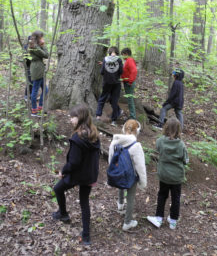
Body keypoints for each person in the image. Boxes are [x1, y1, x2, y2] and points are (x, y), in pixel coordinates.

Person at [52, 104, 100, 246]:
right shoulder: (94, 135)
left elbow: (73, 162)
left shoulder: (77, 139)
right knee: (84, 202)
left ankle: (63, 214)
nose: (70, 120)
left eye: (72, 117)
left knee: (58, 189)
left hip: (78, 175)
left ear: (79, 118)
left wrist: (63, 172)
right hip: (89, 175)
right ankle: (86, 236)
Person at [147, 117, 188, 230]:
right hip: (176, 176)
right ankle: (173, 221)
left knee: (162, 195)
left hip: (164, 175)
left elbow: (158, 150)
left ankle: (159, 218)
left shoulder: (160, 141)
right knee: (176, 197)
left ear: (165, 128)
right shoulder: (181, 145)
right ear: (179, 130)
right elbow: (185, 160)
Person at [108, 119, 147, 231]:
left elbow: (111, 159)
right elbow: (140, 166)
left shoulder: (115, 142)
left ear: (123, 129)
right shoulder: (136, 146)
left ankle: (120, 205)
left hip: (118, 174)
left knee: (121, 185)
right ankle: (127, 222)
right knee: (131, 197)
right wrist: (143, 182)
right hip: (131, 176)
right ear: (137, 131)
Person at [96, 46, 123, 126]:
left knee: (102, 98)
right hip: (116, 83)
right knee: (114, 100)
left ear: (109, 52)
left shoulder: (105, 59)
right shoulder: (119, 60)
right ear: (117, 52)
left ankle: (98, 116)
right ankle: (114, 120)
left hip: (106, 82)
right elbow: (121, 71)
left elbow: (102, 72)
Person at [28, 31, 49, 116]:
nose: (42, 39)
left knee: (45, 90)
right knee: (35, 91)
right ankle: (34, 110)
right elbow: (46, 55)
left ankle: (40, 107)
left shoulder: (36, 46)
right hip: (37, 69)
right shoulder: (35, 47)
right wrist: (43, 45)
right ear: (37, 38)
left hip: (38, 68)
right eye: (41, 37)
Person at [121, 48, 137, 119]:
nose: (122, 56)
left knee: (130, 100)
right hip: (126, 82)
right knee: (129, 99)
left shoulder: (129, 60)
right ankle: (132, 115)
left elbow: (134, 71)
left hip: (129, 83)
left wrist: (130, 81)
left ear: (126, 54)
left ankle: (133, 117)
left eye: (123, 54)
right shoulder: (127, 61)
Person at [24, 36, 32, 102]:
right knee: (29, 82)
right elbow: (25, 58)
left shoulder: (34, 47)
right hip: (28, 67)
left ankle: (30, 96)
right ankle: (26, 96)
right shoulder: (26, 47)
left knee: (33, 82)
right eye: (30, 39)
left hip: (33, 67)